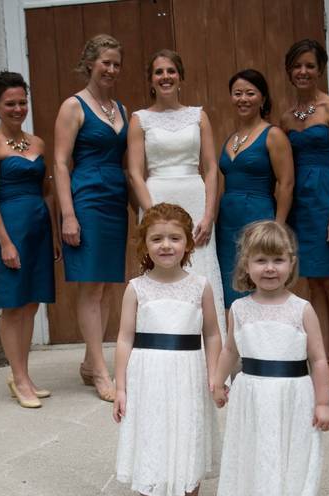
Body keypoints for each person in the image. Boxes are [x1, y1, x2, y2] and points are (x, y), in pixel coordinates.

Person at [212, 220, 329, 496]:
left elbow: (318, 359)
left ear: (291, 263)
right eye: (261, 260)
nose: (269, 268)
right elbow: (230, 351)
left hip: (294, 398)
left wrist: (323, 402)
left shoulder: (301, 309)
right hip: (253, 398)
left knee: (292, 458)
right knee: (260, 458)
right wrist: (218, 383)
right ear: (246, 265)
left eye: (278, 260)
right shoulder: (240, 309)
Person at [113, 203, 223, 496]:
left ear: (188, 243)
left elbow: (212, 334)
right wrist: (120, 387)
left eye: (175, 238)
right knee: (151, 433)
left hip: (189, 373)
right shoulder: (136, 288)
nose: (166, 245)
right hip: (148, 375)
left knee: (190, 431)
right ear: (144, 244)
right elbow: (124, 338)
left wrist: (215, 375)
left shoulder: (200, 286)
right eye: (157, 238)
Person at [127, 49, 225, 336]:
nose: (165, 77)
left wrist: (208, 215)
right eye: (159, 72)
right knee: (161, 264)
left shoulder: (198, 116)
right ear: (151, 80)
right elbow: (135, 172)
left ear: (180, 77)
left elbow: (210, 168)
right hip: (156, 196)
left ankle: (209, 344)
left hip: (194, 197)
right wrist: (152, 216)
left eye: (171, 71)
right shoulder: (140, 119)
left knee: (200, 266)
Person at [0, 71, 58, 409]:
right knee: (13, 306)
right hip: (10, 229)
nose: (18, 109)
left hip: (39, 229)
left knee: (32, 303)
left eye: (22, 102)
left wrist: (54, 234)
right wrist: (5, 242)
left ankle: (23, 374)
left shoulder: (37, 143)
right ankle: (19, 377)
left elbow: (47, 191)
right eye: (10, 103)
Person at [54, 34, 128, 402]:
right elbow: (59, 163)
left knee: (109, 285)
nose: (111, 69)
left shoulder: (121, 109)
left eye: (116, 64)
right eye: (105, 63)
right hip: (87, 199)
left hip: (115, 201)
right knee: (91, 286)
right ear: (89, 64)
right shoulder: (74, 106)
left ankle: (89, 361)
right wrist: (68, 215)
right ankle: (100, 370)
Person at [280, 39, 329, 390]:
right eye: (297, 66)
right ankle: (320, 357)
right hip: (301, 206)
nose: (303, 71)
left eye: (309, 65)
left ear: (320, 69)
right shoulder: (286, 118)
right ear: (289, 72)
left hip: (327, 201)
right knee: (311, 281)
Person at [215, 69, 294, 310]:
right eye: (237, 93)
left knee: (259, 280)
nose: (243, 99)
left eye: (250, 93)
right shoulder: (231, 138)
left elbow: (286, 183)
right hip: (227, 220)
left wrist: (278, 227)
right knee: (230, 283)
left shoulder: (273, 135)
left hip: (257, 216)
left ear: (263, 98)